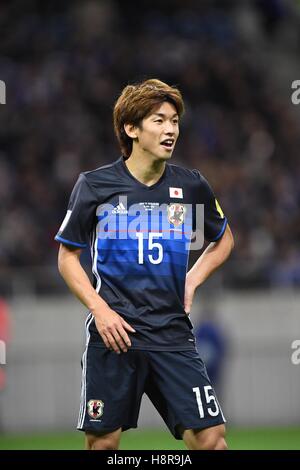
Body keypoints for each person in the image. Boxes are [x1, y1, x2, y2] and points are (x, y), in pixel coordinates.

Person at [55, 79, 234, 450]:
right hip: (114, 335)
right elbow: (67, 258)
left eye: (174, 121)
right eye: (159, 120)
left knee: (212, 440)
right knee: (103, 445)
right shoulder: (94, 185)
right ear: (131, 128)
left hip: (172, 333)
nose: (170, 130)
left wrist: (192, 279)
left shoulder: (191, 186)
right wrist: (99, 310)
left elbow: (224, 240)